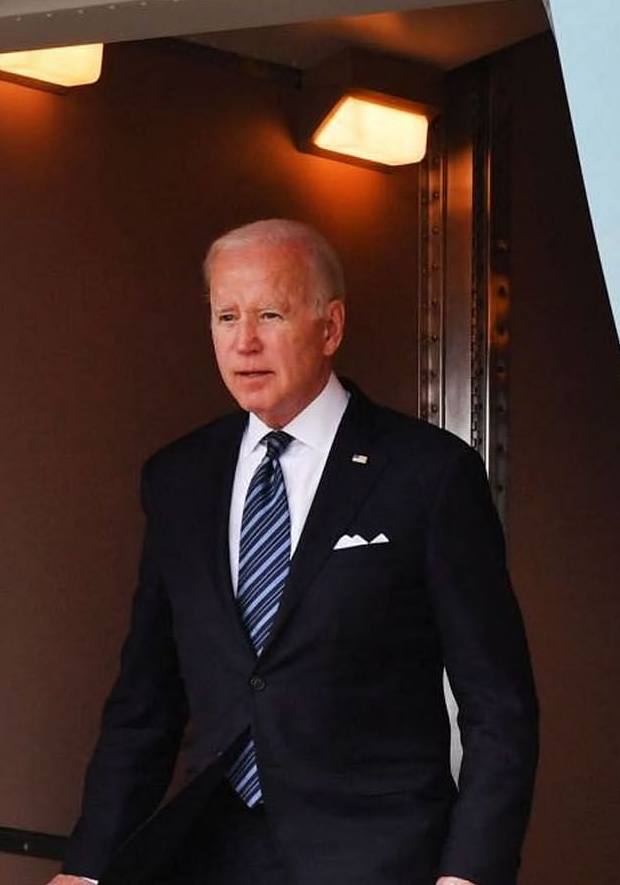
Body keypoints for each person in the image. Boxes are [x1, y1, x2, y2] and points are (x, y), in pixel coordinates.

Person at [47, 219, 538, 885]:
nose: (244, 341)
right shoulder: (179, 478)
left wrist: (471, 872)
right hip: (214, 856)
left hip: (379, 858)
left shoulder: (429, 474)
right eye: (226, 316)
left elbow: (498, 705)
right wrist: (89, 866)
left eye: (270, 314)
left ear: (330, 328)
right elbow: (146, 700)